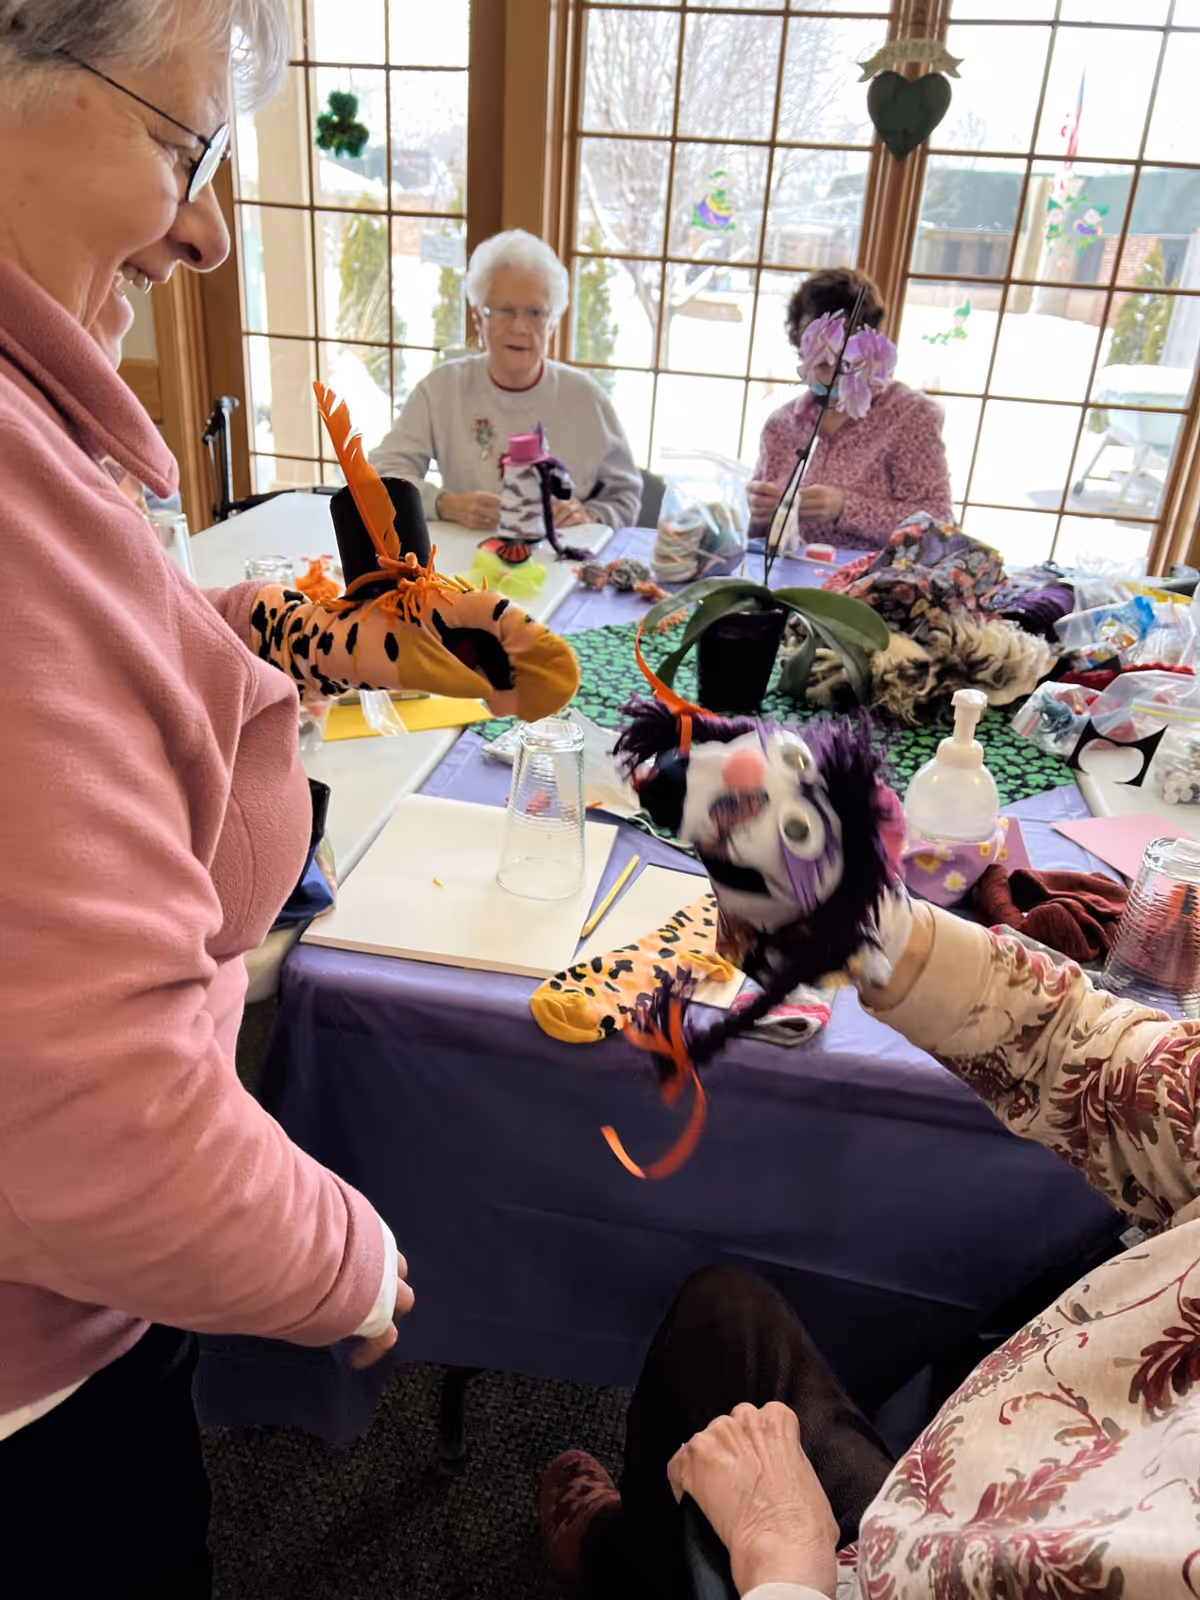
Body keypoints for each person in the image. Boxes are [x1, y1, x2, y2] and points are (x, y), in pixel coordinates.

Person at [0, 3, 575, 1591]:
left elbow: (103, 660)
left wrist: (304, 633)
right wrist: (350, 1257)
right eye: (182, 146)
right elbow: (105, 1134)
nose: (204, 231)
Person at [540, 895, 1200, 1597]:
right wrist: (876, 927)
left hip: (869, 1579)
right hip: (956, 1508)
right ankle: (626, 1561)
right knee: (723, 1317)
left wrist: (784, 1552)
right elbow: (1104, 1064)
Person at [371, 228, 641, 534]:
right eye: (504, 311)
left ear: (553, 322)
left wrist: (590, 515)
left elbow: (625, 495)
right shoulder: (440, 390)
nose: (520, 327)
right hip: (464, 566)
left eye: (535, 313)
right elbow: (383, 476)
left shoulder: (586, 398)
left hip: (561, 566)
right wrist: (444, 504)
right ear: (478, 317)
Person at [748, 268, 952, 552]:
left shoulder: (910, 415)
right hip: (788, 577)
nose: (830, 357)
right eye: (815, 340)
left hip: (873, 585)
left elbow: (939, 526)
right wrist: (757, 510)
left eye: (845, 340)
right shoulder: (782, 425)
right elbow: (758, 539)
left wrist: (844, 507)